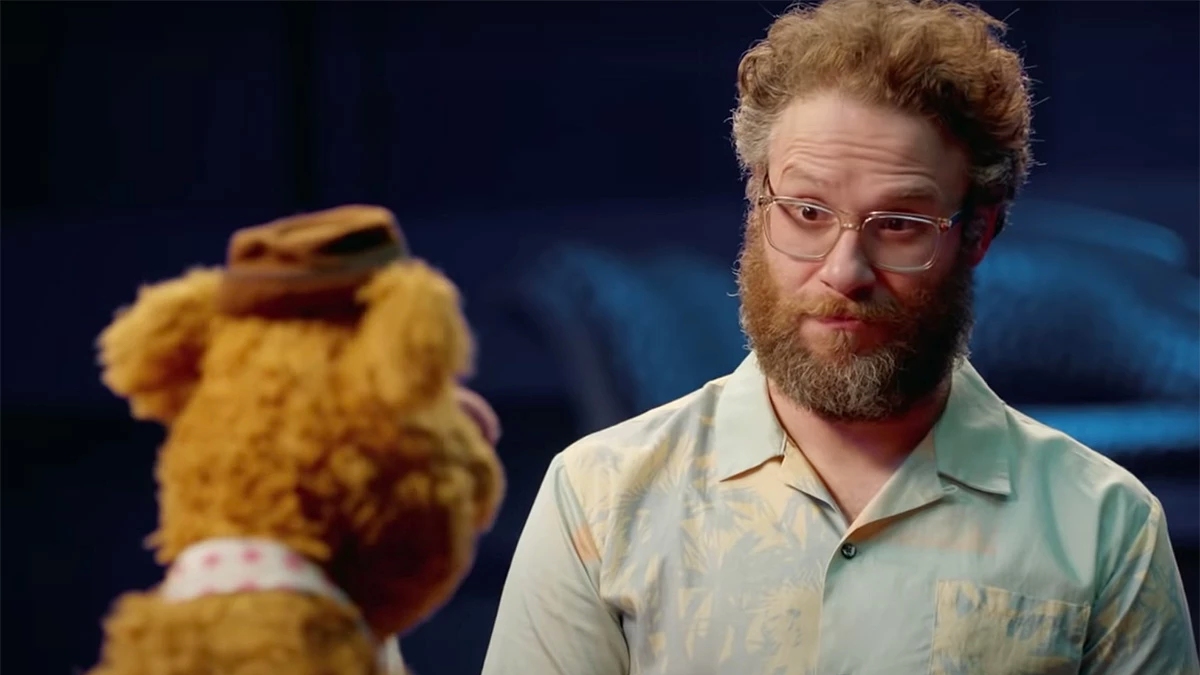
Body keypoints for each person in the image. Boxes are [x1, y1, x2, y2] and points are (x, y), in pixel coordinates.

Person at [481, 0, 1200, 672]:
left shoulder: (1104, 523)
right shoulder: (599, 497)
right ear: (757, 203)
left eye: (900, 224)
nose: (844, 270)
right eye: (806, 212)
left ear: (977, 234)